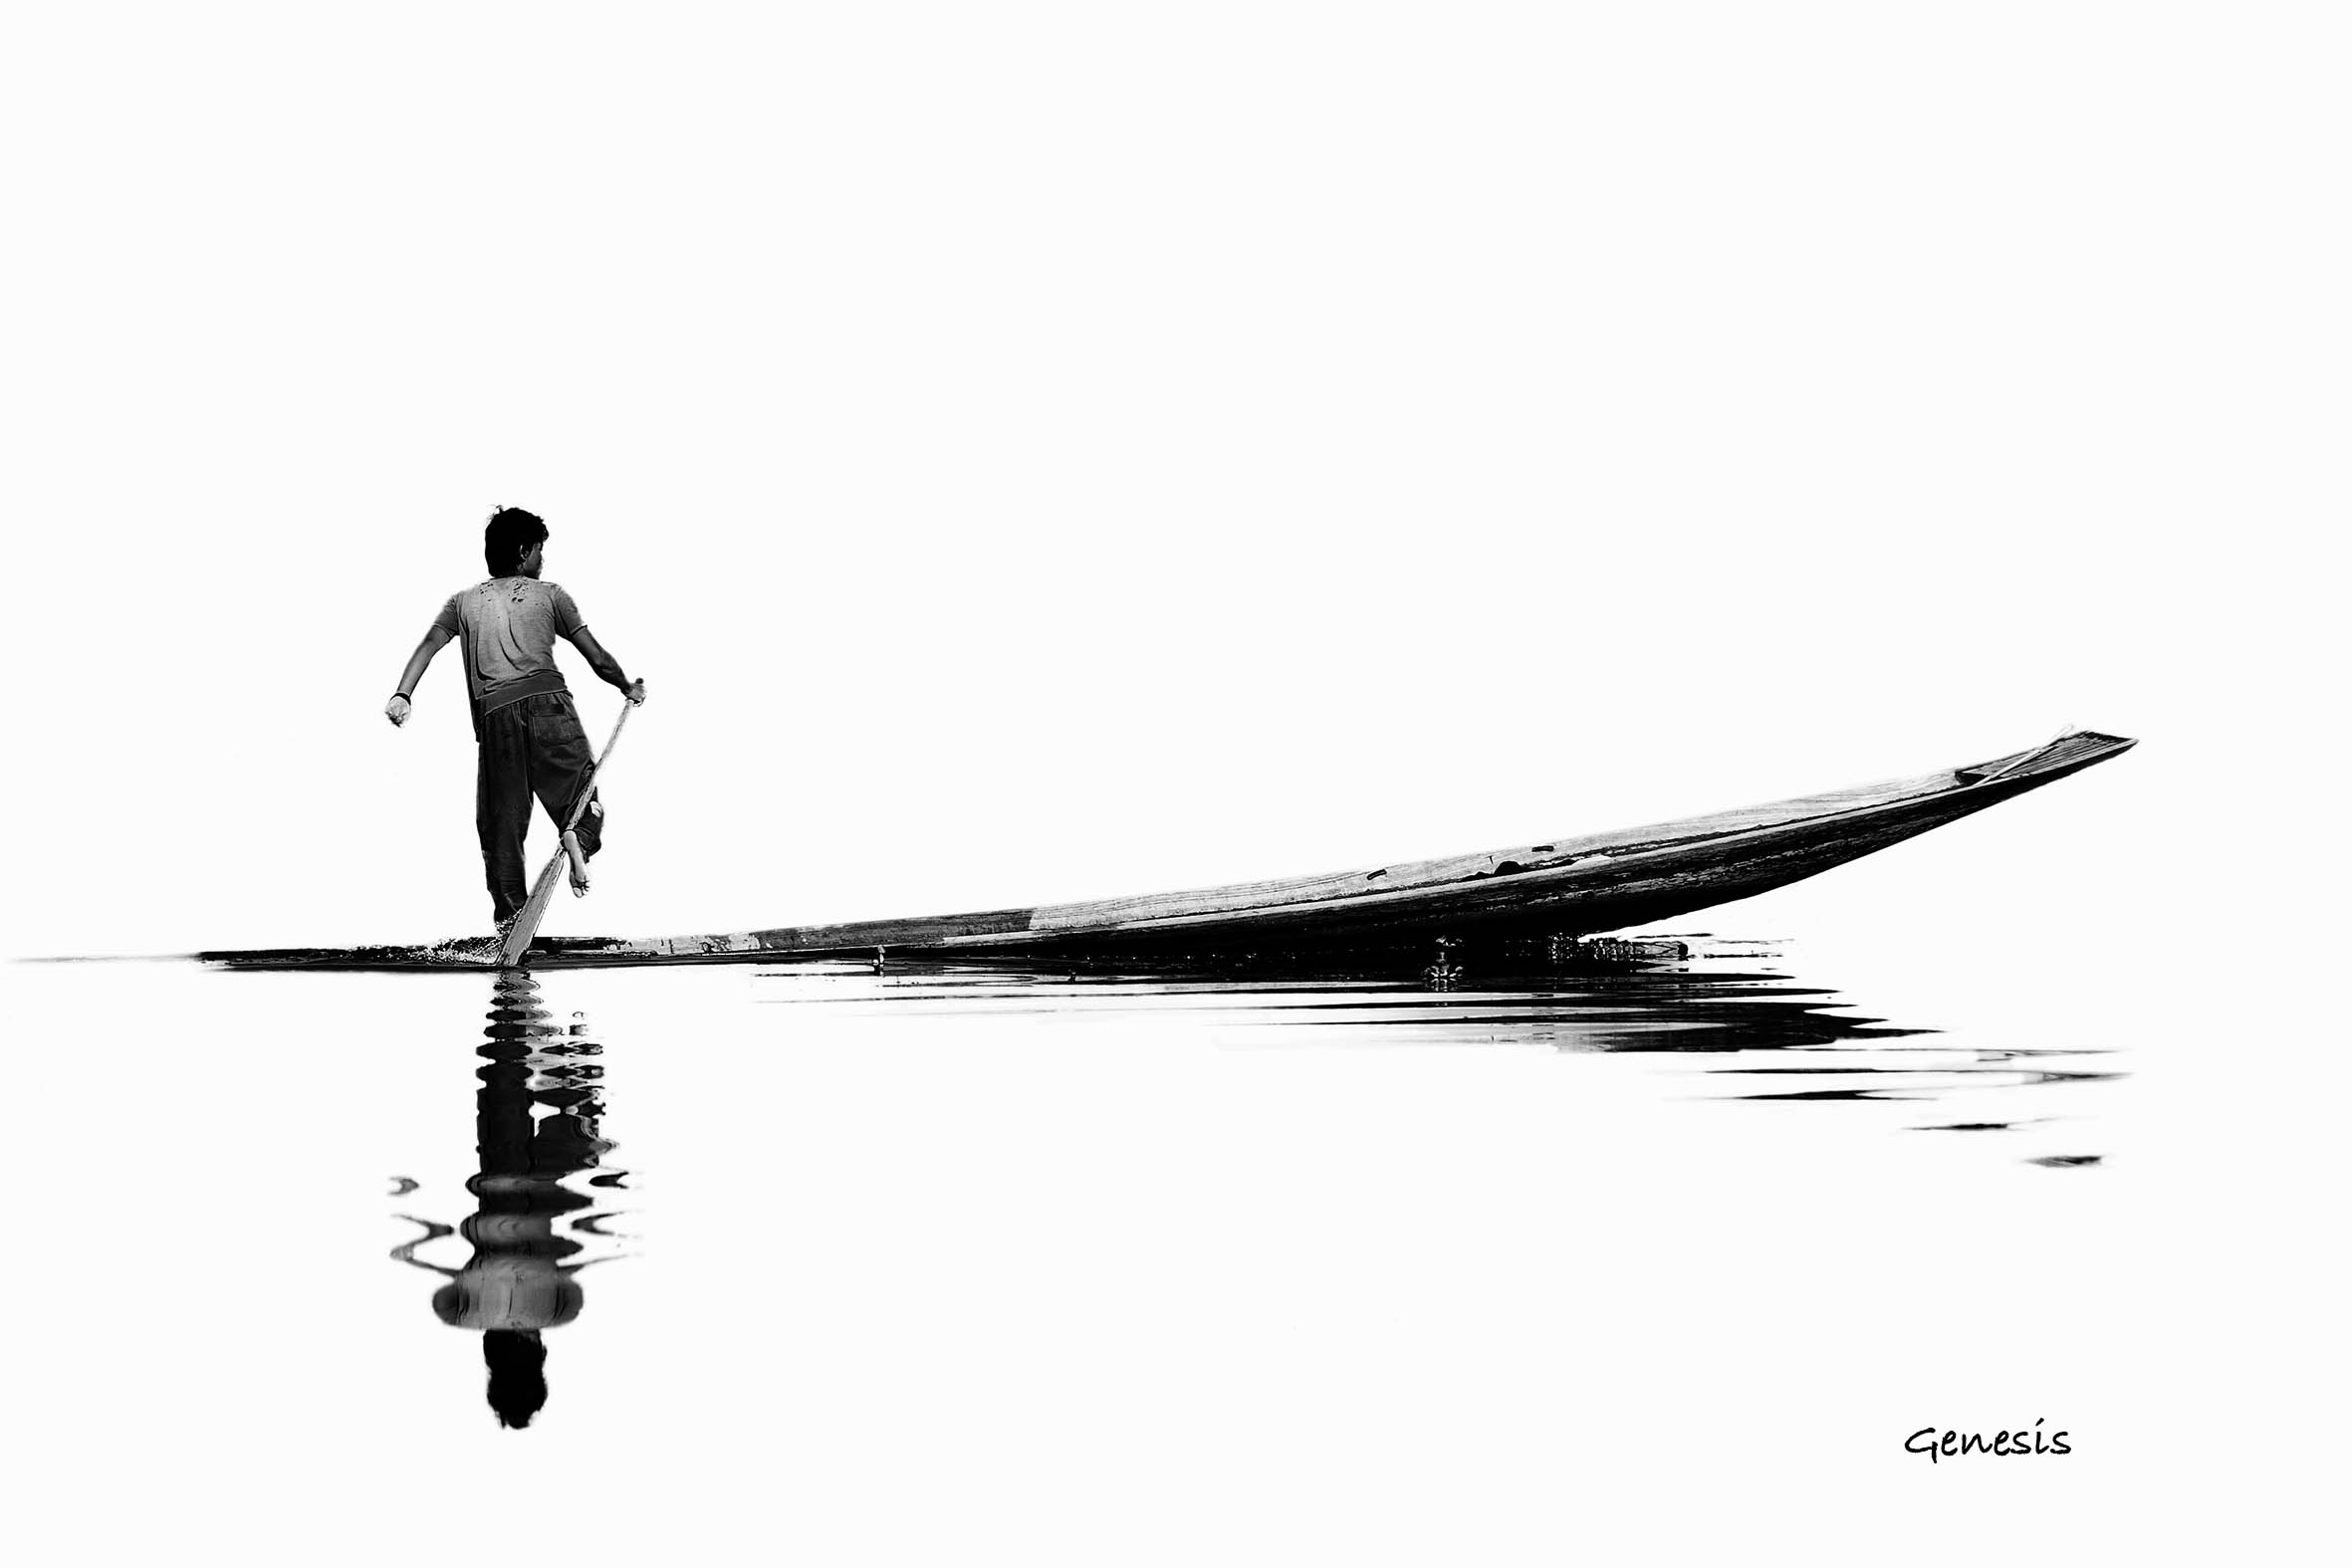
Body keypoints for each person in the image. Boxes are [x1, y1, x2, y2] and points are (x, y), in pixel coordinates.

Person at [386, 508, 646, 932]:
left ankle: (511, 924)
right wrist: (626, 687)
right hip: (550, 708)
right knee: (584, 803)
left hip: (496, 719)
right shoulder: (551, 595)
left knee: (500, 827)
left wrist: (403, 694)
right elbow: (597, 658)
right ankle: (576, 839)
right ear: (524, 551)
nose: (542, 560)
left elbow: (428, 645)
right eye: (540, 551)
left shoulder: (463, 602)